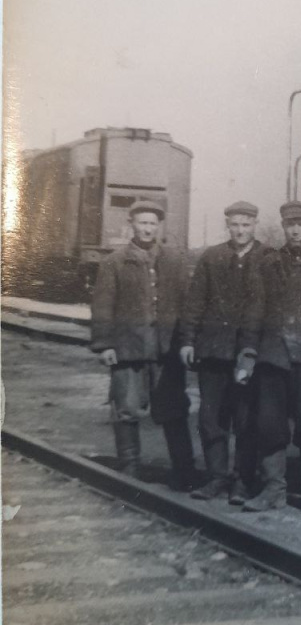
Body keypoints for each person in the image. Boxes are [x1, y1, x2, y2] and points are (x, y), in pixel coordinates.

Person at [90, 200, 194, 490]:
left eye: (152, 224)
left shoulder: (175, 261)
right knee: (126, 408)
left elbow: (187, 306)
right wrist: (104, 344)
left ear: (159, 227)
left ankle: (184, 471)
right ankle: (130, 469)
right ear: (131, 224)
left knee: (174, 409)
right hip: (128, 349)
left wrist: (186, 342)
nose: (147, 229)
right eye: (142, 223)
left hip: (166, 351)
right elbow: (102, 306)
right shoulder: (115, 262)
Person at [244, 201, 301, 515]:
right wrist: (249, 352)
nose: (296, 230)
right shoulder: (267, 263)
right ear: (283, 227)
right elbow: (254, 310)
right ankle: (273, 489)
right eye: (290, 224)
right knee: (270, 425)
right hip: (274, 356)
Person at [179, 201, 269, 504]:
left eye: (246, 224)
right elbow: (195, 301)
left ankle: (244, 480)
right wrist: (189, 340)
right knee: (211, 417)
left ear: (255, 225)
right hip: (214, 350)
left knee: (246, 420)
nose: (240, 230)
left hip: (250, 354)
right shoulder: (212, 257)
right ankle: (217, 476)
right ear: (227, 225)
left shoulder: (268, 258)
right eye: (235, 224)